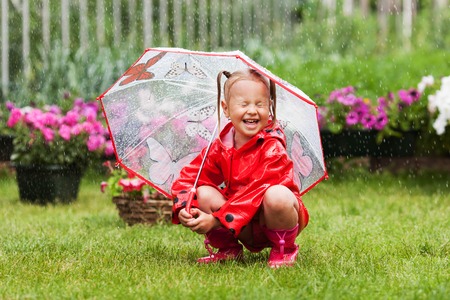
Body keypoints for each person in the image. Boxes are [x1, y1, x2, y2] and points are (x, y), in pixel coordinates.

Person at [171, 68, 309, 268]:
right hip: (240, 225)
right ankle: (229, 249)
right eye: (244, 104)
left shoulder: (273, 147)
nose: (252, 110)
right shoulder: (221, 146)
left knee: (277, 195)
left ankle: (284, 250)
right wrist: (185, 206)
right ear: (226, 109)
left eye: (259, 104)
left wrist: (216, 220)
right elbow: (189, 178)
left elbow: (257, 191)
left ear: (269, 107)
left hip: (270, 219)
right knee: (201, 193)